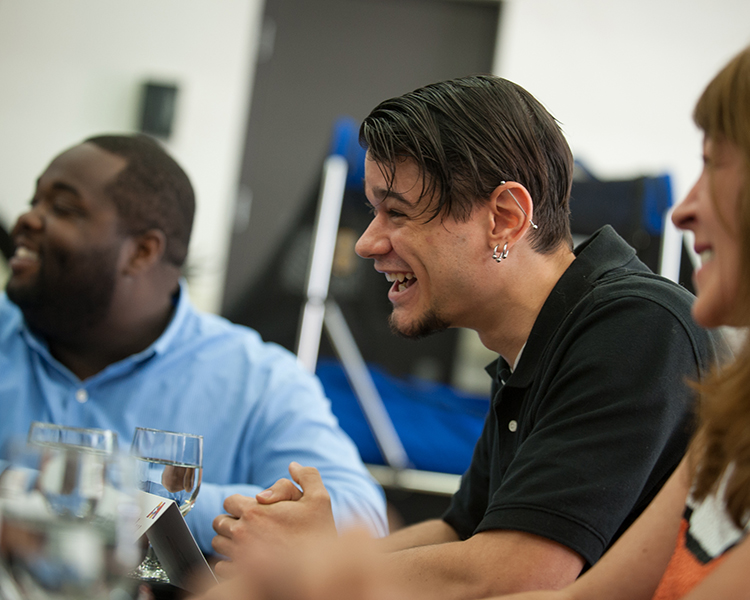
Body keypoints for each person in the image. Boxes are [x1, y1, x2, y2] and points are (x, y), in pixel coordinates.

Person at [210, 74, 726, 597]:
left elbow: (513, 571)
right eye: (373, 212)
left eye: (397, 212)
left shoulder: (636, 326)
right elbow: (460, 530)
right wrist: (317, 558)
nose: (367, 243)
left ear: (504, 218)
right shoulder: (537, 343)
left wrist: (311, 573)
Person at [0, 134, 388, 554]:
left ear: (143, 251)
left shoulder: (257, 379)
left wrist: (129, 505)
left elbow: (355, 519)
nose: (26, 220)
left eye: (62, 208)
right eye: (33, 201)